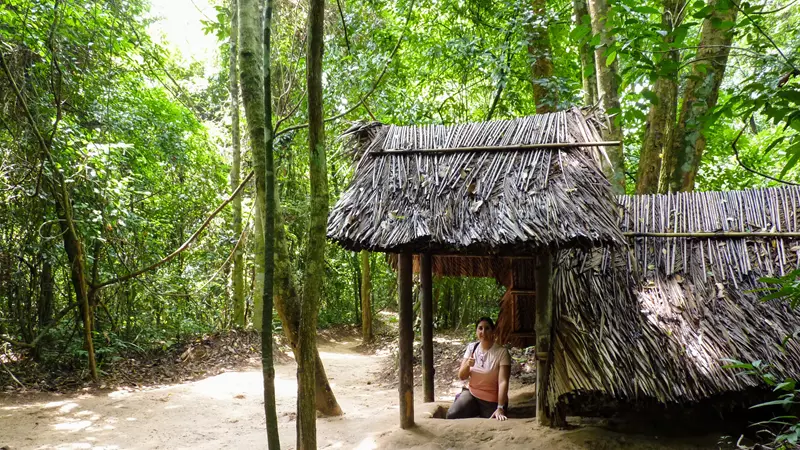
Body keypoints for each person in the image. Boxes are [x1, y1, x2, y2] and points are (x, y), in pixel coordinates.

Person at [446, 317, 510, 420]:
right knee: (452, 414)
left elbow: (503, 382)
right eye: (480, 328)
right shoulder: (472, 348)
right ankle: (472, 409)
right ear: (476, 331)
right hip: (472, 395)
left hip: (492, 401)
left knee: (494, 421)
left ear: (493, 331)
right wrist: (467, 364)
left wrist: (500, 407)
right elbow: (461, 376)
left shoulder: (502, 353)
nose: (483, 332)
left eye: (487, 328)